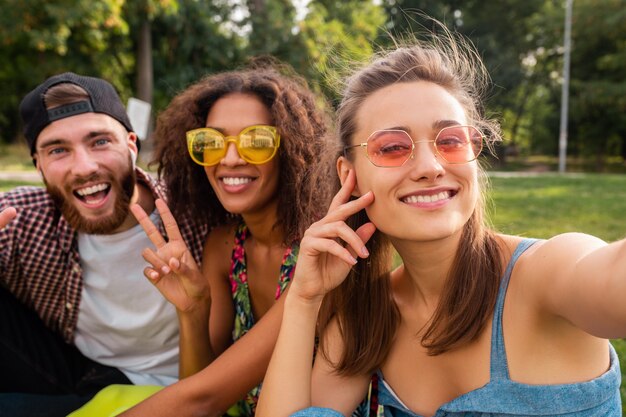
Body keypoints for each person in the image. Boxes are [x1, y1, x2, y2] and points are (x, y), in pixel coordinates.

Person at [255, 29, 623, 417]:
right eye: (394, 147)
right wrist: (304, 299)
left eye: (450, 140)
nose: (430, 168)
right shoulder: (366, 318)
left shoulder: (547, 272)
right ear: (350, 174)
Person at [118, 62, 335, 417]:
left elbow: (204, 399)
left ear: (293, 151)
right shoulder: (223, 247)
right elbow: (198, 385)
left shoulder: (323, 251)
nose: (230, 159)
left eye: (256, 142)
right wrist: (193, 311)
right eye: (212, 142)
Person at [0, 72, 208, 417]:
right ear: (39, 166)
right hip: (84, 375)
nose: (84, 167)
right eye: (57, 150)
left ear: (130, 144)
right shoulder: (22, 217)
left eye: (99, 142)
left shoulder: (197, 213)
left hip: (189, 384)